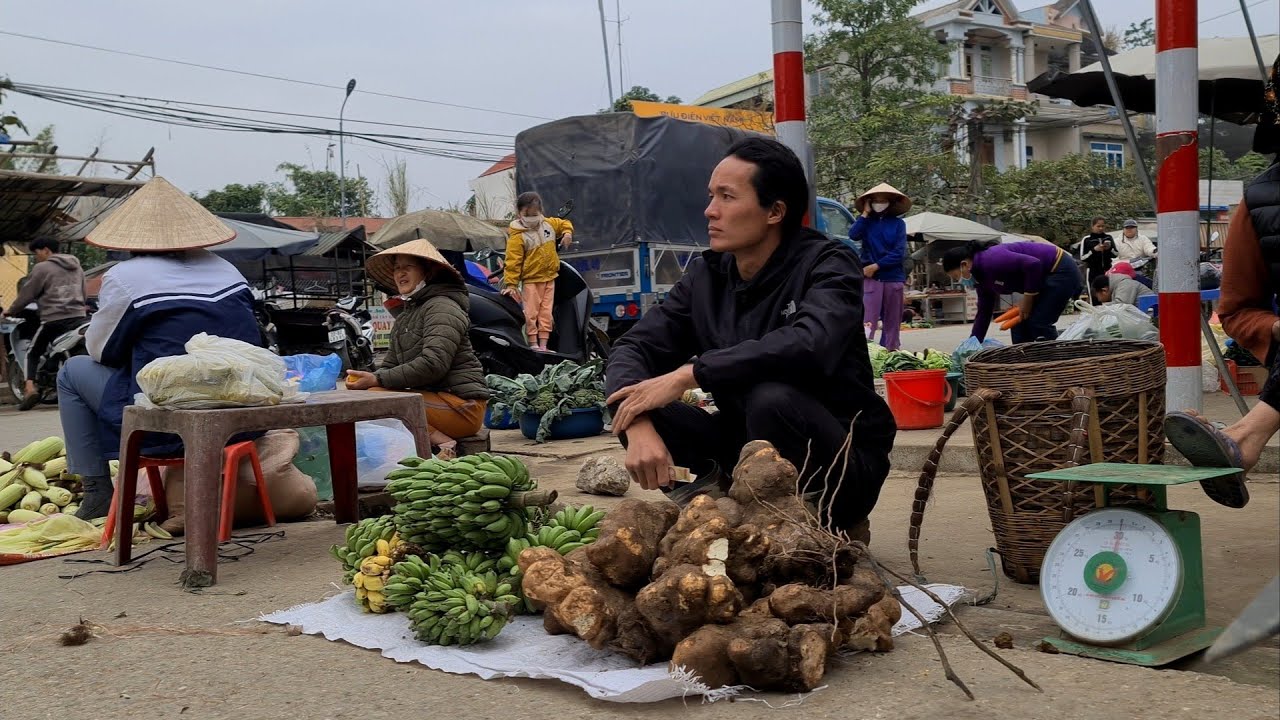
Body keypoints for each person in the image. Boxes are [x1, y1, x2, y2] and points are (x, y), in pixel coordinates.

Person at [604, 137, 895, 536]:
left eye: (727, 197)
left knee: (771, 398)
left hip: (839, 457)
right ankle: (713, 516)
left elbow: (812, 342)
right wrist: (635, 421)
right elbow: (633, 346)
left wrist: (689, 375)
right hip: (742, 445)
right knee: (635, 400)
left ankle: (812, 526)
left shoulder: (828, 264)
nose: (710, 210)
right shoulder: (708, 276)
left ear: (775, 211)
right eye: (711, 196)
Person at [56, 178, 262, 520]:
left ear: (130, 240)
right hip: (241, 414)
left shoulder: (126, 277)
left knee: (71, 372)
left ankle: (96, 492)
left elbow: (101, 352)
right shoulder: (229, 271)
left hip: (169, 419)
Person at [1164, 52, 1280, 509]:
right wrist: (1274, 328)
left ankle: (1244, 437)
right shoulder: (1261, 200)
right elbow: (1235, 310)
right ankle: (1243, 439)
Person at [345, 239, 489, 457]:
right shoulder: (406, 316)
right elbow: (391, 366)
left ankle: (443, 443)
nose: (400, 273)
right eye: (396, 268)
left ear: (428, 272)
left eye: (407, 267)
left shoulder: (443, 307)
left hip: (462, 407)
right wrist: (368, 379)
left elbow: (434, 364)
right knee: (369, 396)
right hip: (434, 400)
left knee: (377, 398)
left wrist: (377, 381)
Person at [2, 238, 88, 410]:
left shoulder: (42, 268)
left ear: (46, 250)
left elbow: (28, 293)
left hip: (54, 319)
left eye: (37, 253)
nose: (37, 257)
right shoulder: (76, 265)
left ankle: (30, 388)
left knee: (32, 352)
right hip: (79, 317)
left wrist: (11, 310)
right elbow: (83, 290)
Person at [942, 240, 1083, 344]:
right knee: (1019, 324)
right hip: (1043, 279)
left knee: (1039, 322)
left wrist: (1027, 298)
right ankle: (1023, 367)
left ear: (964, 265)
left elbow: (1033, 264)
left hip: (1060, 269)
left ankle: (1056, 364)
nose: (959, 281)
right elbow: (984, 313)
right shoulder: (981, 280)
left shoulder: (991, 259)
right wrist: (972, 343)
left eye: (956, 276)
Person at [502, 192, 573, 351]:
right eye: (528, 214)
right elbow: (513, 261)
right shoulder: (518, 236)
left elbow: (564, 223)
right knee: (531, 313)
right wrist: (511, 284)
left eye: (535, 214)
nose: (532, 218)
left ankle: (544, 345)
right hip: (531, 280)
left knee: (546, 313)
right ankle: (533, 343)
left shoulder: (548, 224)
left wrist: (567, 233)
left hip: (550, 278)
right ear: (519, 213)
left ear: (540, 211)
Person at [849, 183, 911, 350]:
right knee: (867, 322)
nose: (879, 203)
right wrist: (865, 213)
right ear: (869, 202)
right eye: (875, 200)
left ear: (890, 202)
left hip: (893, 278)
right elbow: (853, 235)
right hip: (871, 279)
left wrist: (876, 266)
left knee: (892, 323)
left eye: (883, 200)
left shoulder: (898, 224)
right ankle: (865, 355)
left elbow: (898, 253)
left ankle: (890, 354)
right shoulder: (866, 222)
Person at [1076, 217, 1116, 292]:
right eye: (1098, 226)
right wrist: (1094, 250)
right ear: (1093, 226)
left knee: (1108, 292)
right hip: (1093, 271)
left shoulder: (1108, 237)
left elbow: (1116, 254)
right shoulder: (1087, 239)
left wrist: (1109, 248)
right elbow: (1082, 257)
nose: (1100, 228)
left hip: (1107, 271)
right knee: (1094, 293)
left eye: (1102, 226)